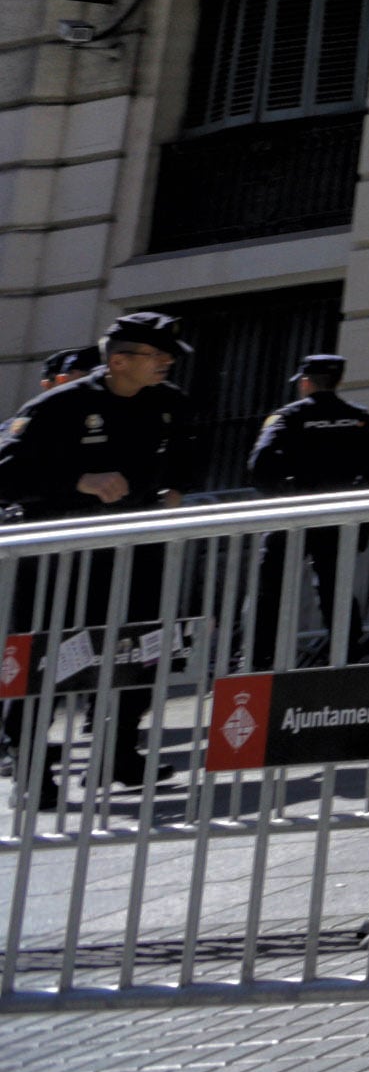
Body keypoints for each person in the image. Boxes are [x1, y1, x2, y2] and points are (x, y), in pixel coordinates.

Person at [0, 313, 197, 797]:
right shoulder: (58, 407)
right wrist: (78, 482)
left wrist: (176, 490)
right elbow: (6, 475)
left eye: (169, 357)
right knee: (51, 657)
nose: (167, 363)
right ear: (119, 361)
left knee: (143, 650)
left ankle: (119, 754)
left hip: (136, 546)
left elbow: (190, 454)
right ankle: (31, 766)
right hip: (63, 556)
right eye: (156, 356)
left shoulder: (169, 404)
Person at [249, 353, 369, 662]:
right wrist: (351, 495)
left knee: (271, 587)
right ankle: (347, 654)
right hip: (338, 515)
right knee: (335, 586)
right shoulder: (358, 416)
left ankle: (260, 660)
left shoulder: (287, 416)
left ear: (305, 382)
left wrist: (287, 494)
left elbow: (259, 465)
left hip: (294, 514)